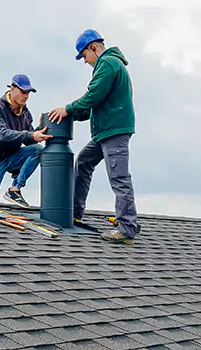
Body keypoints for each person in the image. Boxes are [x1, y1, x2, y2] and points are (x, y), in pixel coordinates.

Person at [48, 29, 141, 244]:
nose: (85, 61)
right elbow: (94, 105)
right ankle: (74, 213)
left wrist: (67, 108)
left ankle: (127, 227)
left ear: (93, 47)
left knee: (119, 176)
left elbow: (93, 96)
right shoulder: (108, 65)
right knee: (83, 162)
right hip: (104, 132)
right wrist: (70, 115)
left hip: (115, 131)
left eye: (84, 56)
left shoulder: (107, 63)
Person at [0, 73, 52, 208]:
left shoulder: (25, 113)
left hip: (12, 156)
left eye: (28, 93)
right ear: (12, 89)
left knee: (37, 150)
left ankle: (15, 190)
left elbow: (28, 140)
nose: (26, 96)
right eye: (23, 92)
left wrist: (40, 129)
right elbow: (3, 134)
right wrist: (31, 135)